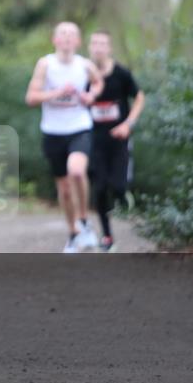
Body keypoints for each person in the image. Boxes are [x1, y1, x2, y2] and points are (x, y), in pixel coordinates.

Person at [26, 22, 103, 253]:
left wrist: (91, 95)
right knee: (65, 188)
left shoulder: (85, 65)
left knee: (77, 171)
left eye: (72, 35)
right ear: (55, 40)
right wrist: (58, 93)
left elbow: (98, 83)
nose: (67, 38)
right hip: (53, 131)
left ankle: (84, 222)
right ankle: (73, 233)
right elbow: (31, 97)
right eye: (63, 34)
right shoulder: (45, 64)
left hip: (79, 127)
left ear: (78, 42)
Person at [86, 30, 146, 252]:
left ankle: (123, 194)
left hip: (119, 138)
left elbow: (139, 97)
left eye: (103, 44)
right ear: (90, 47)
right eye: (95, 43)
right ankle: (107, 236)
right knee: (100, 188)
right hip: (94, 139)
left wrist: (127, 124)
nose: (98, 47)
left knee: (117, 185)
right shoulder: (84, 73)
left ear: (109, 48)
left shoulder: (121, 73)